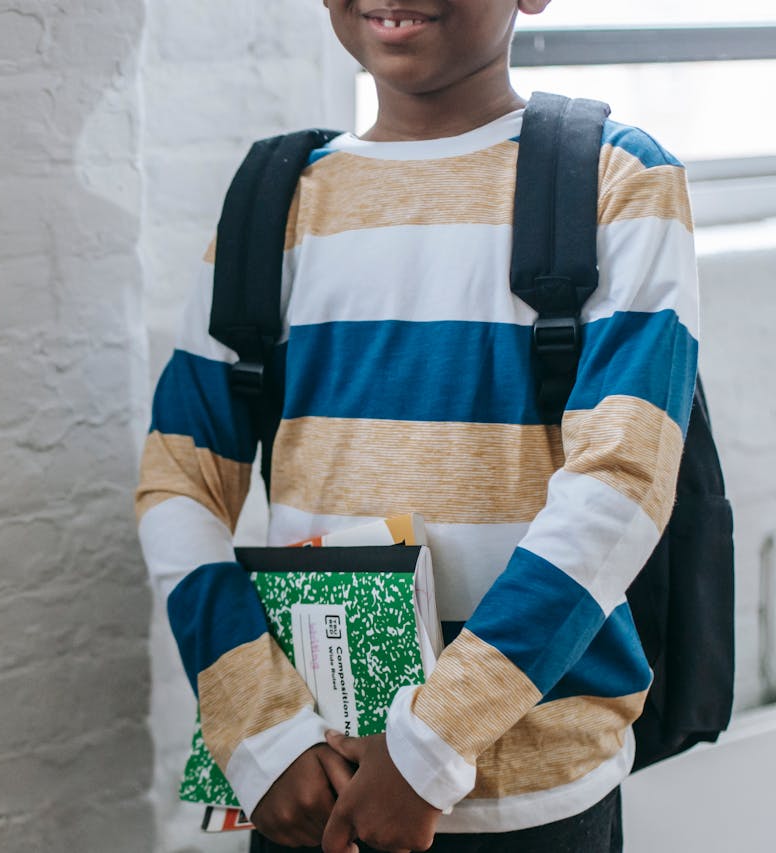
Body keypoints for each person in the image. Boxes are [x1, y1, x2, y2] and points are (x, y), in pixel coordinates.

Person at [136, 1, 698, 851]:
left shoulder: (616, 181)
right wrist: (262, 730)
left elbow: (621, 485)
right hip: (309, 779)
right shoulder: (272, 206)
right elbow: (179, 478)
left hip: (532, 801)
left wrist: (427, 747)